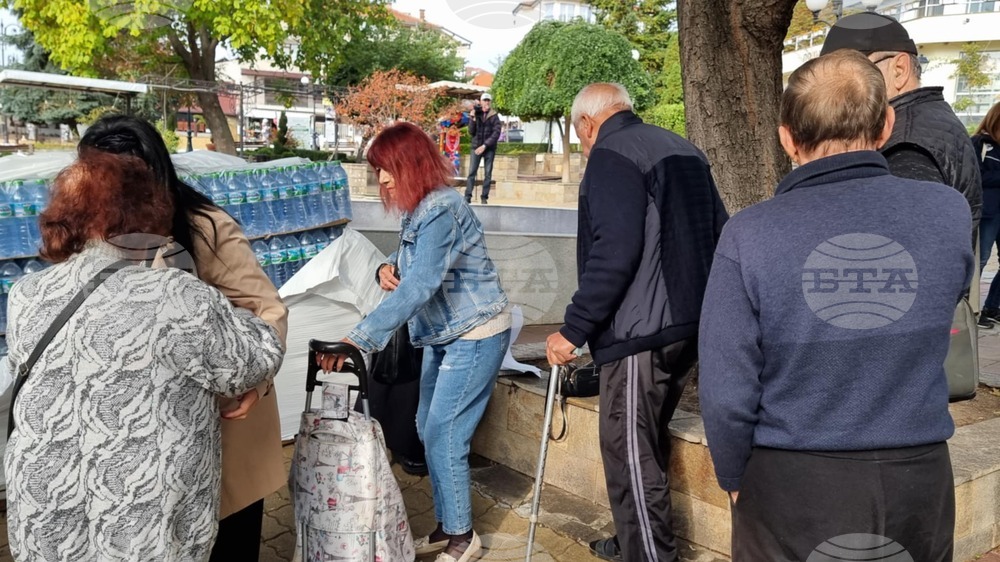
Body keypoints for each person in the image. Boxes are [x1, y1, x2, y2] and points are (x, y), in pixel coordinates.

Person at [699, 50, 970, 561]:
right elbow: (946, 299)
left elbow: (727, 382)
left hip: (793, 479)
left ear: (786, 136)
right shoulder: (947, 213)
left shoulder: (751, 234)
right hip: (918, 473)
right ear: (886, 123)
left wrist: (734, 473)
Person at [4, 149, 284, 561]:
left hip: (45, 507)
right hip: (141, 519)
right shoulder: (177, 295)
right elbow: (248, 364)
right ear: (146, 212)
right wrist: (243, 321)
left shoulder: (26, 294)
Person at [79, 115, 289, 562]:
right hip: (139, 443)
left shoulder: (202, 227)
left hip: (222, 430)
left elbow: (266, 309)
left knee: (225, 543)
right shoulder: (88, 236)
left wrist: (251, 381)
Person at [545, 83, 728, 562]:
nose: (584, 146)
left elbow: (615, 250)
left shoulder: (611, 154)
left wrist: (573, 328)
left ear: (587, 124)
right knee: (642, 445)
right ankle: (634, 541)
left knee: (629, 456)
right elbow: (721, 231)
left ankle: (647, 554)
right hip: (685, 325)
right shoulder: (682, 146)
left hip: (638, 334)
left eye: (580, 137)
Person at [318, 121, 510, 562]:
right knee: (427, 426)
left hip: (475, 333)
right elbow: (412, 259)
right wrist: (384, 267)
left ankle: (464, 537)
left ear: (410, 164)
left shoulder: (441, 207)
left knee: (444, 433)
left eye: (386, 169)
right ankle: (448, 525)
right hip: (443, 334)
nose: (381, 179)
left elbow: (422, 282)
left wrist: (361, 338)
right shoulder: (419, 206)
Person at [820, 12, 981, 229]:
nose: (837, 87)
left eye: (849, 72)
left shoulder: (906, 147)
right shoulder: (926, 120)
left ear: (900, 69)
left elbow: (892, 245)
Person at [973, 103, 1000, 327]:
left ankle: (993, 307)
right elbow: (977, 177)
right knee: (980, 260)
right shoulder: (980, 144)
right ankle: (972, 309)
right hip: (988, 213)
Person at [464, 93, 502, 205]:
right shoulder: (477, 114)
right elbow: (471, 132)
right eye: (484, 100)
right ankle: (467, 196)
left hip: (489, 148)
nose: (486, 102)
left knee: (488, 174)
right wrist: (473, 118)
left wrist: (485, 145)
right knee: (471, 172)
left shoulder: (494, 116)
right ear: (480, 102)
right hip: (476, 147)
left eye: (488, 100)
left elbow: (496, 133)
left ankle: (484, 197)